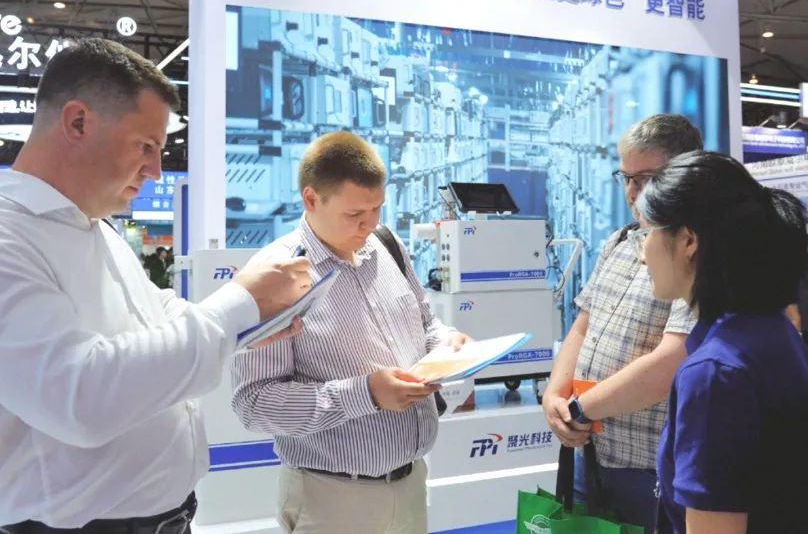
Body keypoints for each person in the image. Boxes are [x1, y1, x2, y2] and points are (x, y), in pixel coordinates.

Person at [0, 38, 312, 532]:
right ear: (77, 122)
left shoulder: (94, 228)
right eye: (146, 146)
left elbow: (157, 312)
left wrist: (243, 327)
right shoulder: (10, 236)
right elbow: (80, 397)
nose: (156, 170)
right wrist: (236, 308)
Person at [231, 131, 472, 534]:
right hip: (332, 499)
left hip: (411, 482)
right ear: (311, 199)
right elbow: (254, 404)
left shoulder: (386, 245)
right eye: (354, 213)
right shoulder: (276, 275)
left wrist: (446, 343)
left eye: (377, 208)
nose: (369, 223)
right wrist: (366, 393)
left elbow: (426, 321)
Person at [542, 114, 702, 532]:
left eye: (645, 178)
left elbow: (672, 361)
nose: (632, 191)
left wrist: (579, 409)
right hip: (591, 453)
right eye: (626, 177)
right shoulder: (619, 241)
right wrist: (554, 396)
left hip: (651, 466)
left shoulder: (694, 251)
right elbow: (583, 325)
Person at [634, 151, 808, 534]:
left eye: (646, 233)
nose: (642, 255)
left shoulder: (714, 373)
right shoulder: (769, 328)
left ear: (688, 240)